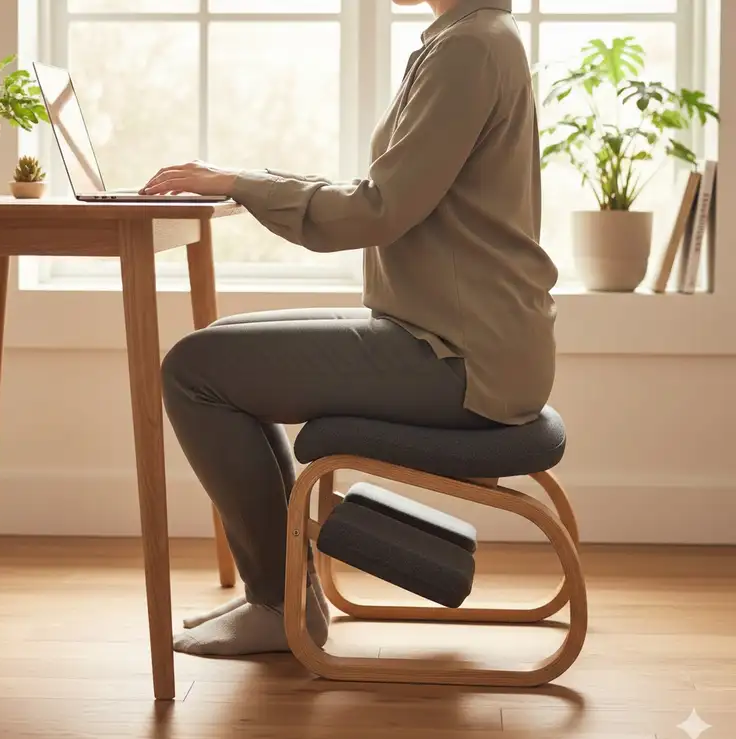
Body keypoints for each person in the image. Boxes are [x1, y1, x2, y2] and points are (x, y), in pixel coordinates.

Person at [140, 0, 558, 658]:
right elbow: (381, 190)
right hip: (457, 337)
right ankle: (280, 596)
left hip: (458, 356)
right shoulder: (470, 38)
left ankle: (279, 604)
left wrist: (241, 185)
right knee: (213, 357)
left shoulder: (468, 49)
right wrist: (247, 182)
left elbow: (377, 210)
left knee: (195, 371)